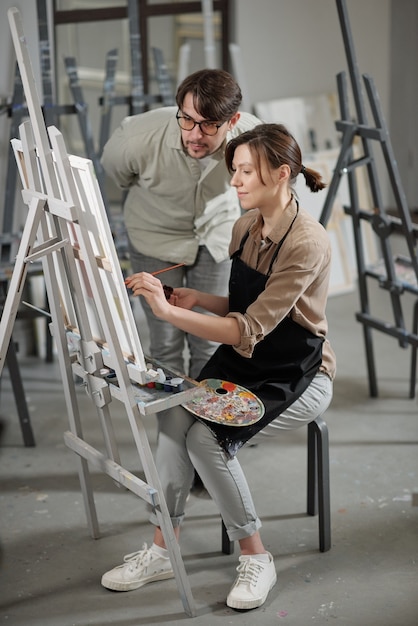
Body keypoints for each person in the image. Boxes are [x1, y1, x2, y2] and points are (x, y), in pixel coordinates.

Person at [101, 123, 337, 610]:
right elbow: (248, 303)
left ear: (281, 174)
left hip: (299, 372)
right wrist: (198, 299)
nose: (235, 181)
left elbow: (249, 327)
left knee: (205, 435)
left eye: (246, 171)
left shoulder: (307, 243)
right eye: (235, 170)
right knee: (175, 412)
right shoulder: (244, 226)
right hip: (249, 360)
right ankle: (163, 547)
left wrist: (169, 313)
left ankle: (256, 556)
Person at [101, 69, 261, 379]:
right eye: (187, 119)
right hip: (154, 237)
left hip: (216, 238)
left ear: (233, 121)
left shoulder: (254, 139)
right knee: (165, 343)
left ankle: (201, 424)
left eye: (210, 125)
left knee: (210, 341)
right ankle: (173, 427)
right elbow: (116, 173)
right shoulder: (136, 138)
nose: (195, 135)